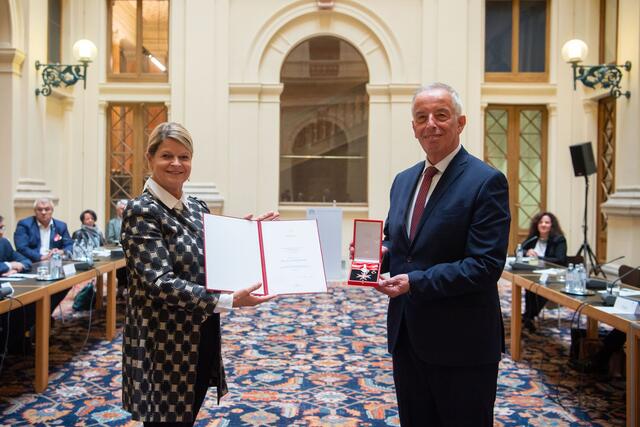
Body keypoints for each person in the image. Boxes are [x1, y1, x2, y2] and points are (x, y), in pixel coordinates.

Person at [121, 121, 277, 426]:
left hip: (201, 333)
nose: (177, 164)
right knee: (166, 421)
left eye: (184, 156)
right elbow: (159, 283)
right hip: (162, 342)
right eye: (167, 156)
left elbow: (211, 257)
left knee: (186, 416)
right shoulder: (142, 210)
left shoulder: (196, 206)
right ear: (149, 158)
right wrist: (229, 300)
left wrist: (244, 234)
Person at [374, 83, 510, 426]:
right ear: (413, 127)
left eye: (441, 115)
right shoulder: (403, 181)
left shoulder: (486, 181)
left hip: (461, 343)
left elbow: (485, 265)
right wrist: (381, 253)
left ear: (461, 122)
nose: (430, 123)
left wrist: (414, 283)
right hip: (407, 336)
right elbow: (400, 244)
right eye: (421, 117)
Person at [521, 212, 567, 332]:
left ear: (552, 225)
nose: (543, 225)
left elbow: (560, 259)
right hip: (533, 272)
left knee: (540, 289)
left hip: (552, 276)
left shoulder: (559, 239)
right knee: (528, 286)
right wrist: (527, 252)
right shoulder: (534, 238)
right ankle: (528, 316)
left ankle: (528, 317)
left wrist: (538, 258)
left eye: (547, 222)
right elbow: (522, 249)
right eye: (541, 222)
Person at [0, 215, 34, 354]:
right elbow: (8, 264)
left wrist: (17, 266)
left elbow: (25, 260)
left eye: (2, 228)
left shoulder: (3, 242)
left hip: (8, 288)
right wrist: (8, 265)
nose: (1, 232)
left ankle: (10, 342)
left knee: (28, 305)